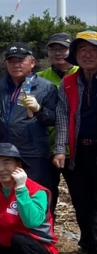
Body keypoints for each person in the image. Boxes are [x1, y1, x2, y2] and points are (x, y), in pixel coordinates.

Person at [0, 42, 58, 193]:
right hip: (4, 150)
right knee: (6, 194)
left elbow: (54, 120)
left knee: (38, 193)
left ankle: (44, 218)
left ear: (32, 62)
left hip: (33, 153)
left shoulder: (46, 87)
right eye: (11, 61)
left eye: (20, 60)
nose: (16, 65)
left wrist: (39, 109)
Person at [54, 30, 97, 254]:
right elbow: (62, 116)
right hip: (79, 149)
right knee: (81, 199)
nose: (87, 55)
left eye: (92, 50)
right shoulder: (69, 82)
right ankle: (89, 245)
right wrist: (60, 149)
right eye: (82, 50)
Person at [37, 33, 78, 210]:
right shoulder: (38, 77)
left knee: (82, 197)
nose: (58, 52)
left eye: (63, 48)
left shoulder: (83, 74)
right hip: (46, 147)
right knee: (46, 195)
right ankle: (46, 235)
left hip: (77, 149)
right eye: (53, 49)